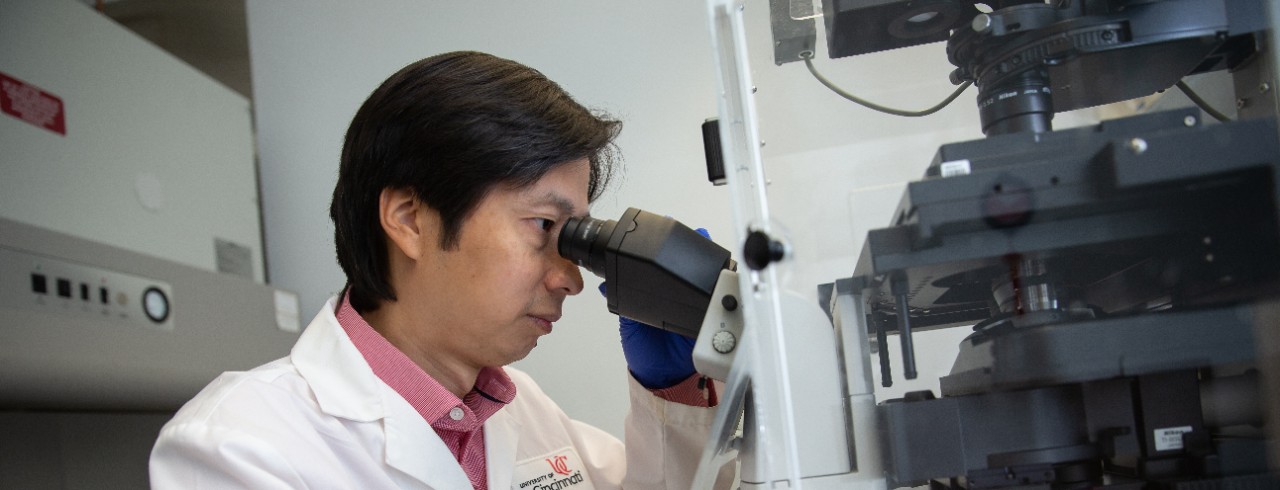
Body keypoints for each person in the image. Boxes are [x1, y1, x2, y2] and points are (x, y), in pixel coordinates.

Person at [149, 51, 734, 489]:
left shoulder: (516, 406)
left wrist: (671, 393)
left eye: (576, 238)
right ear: (409, 219)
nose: (571, 278)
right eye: (542, 227)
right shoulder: (239, 446)